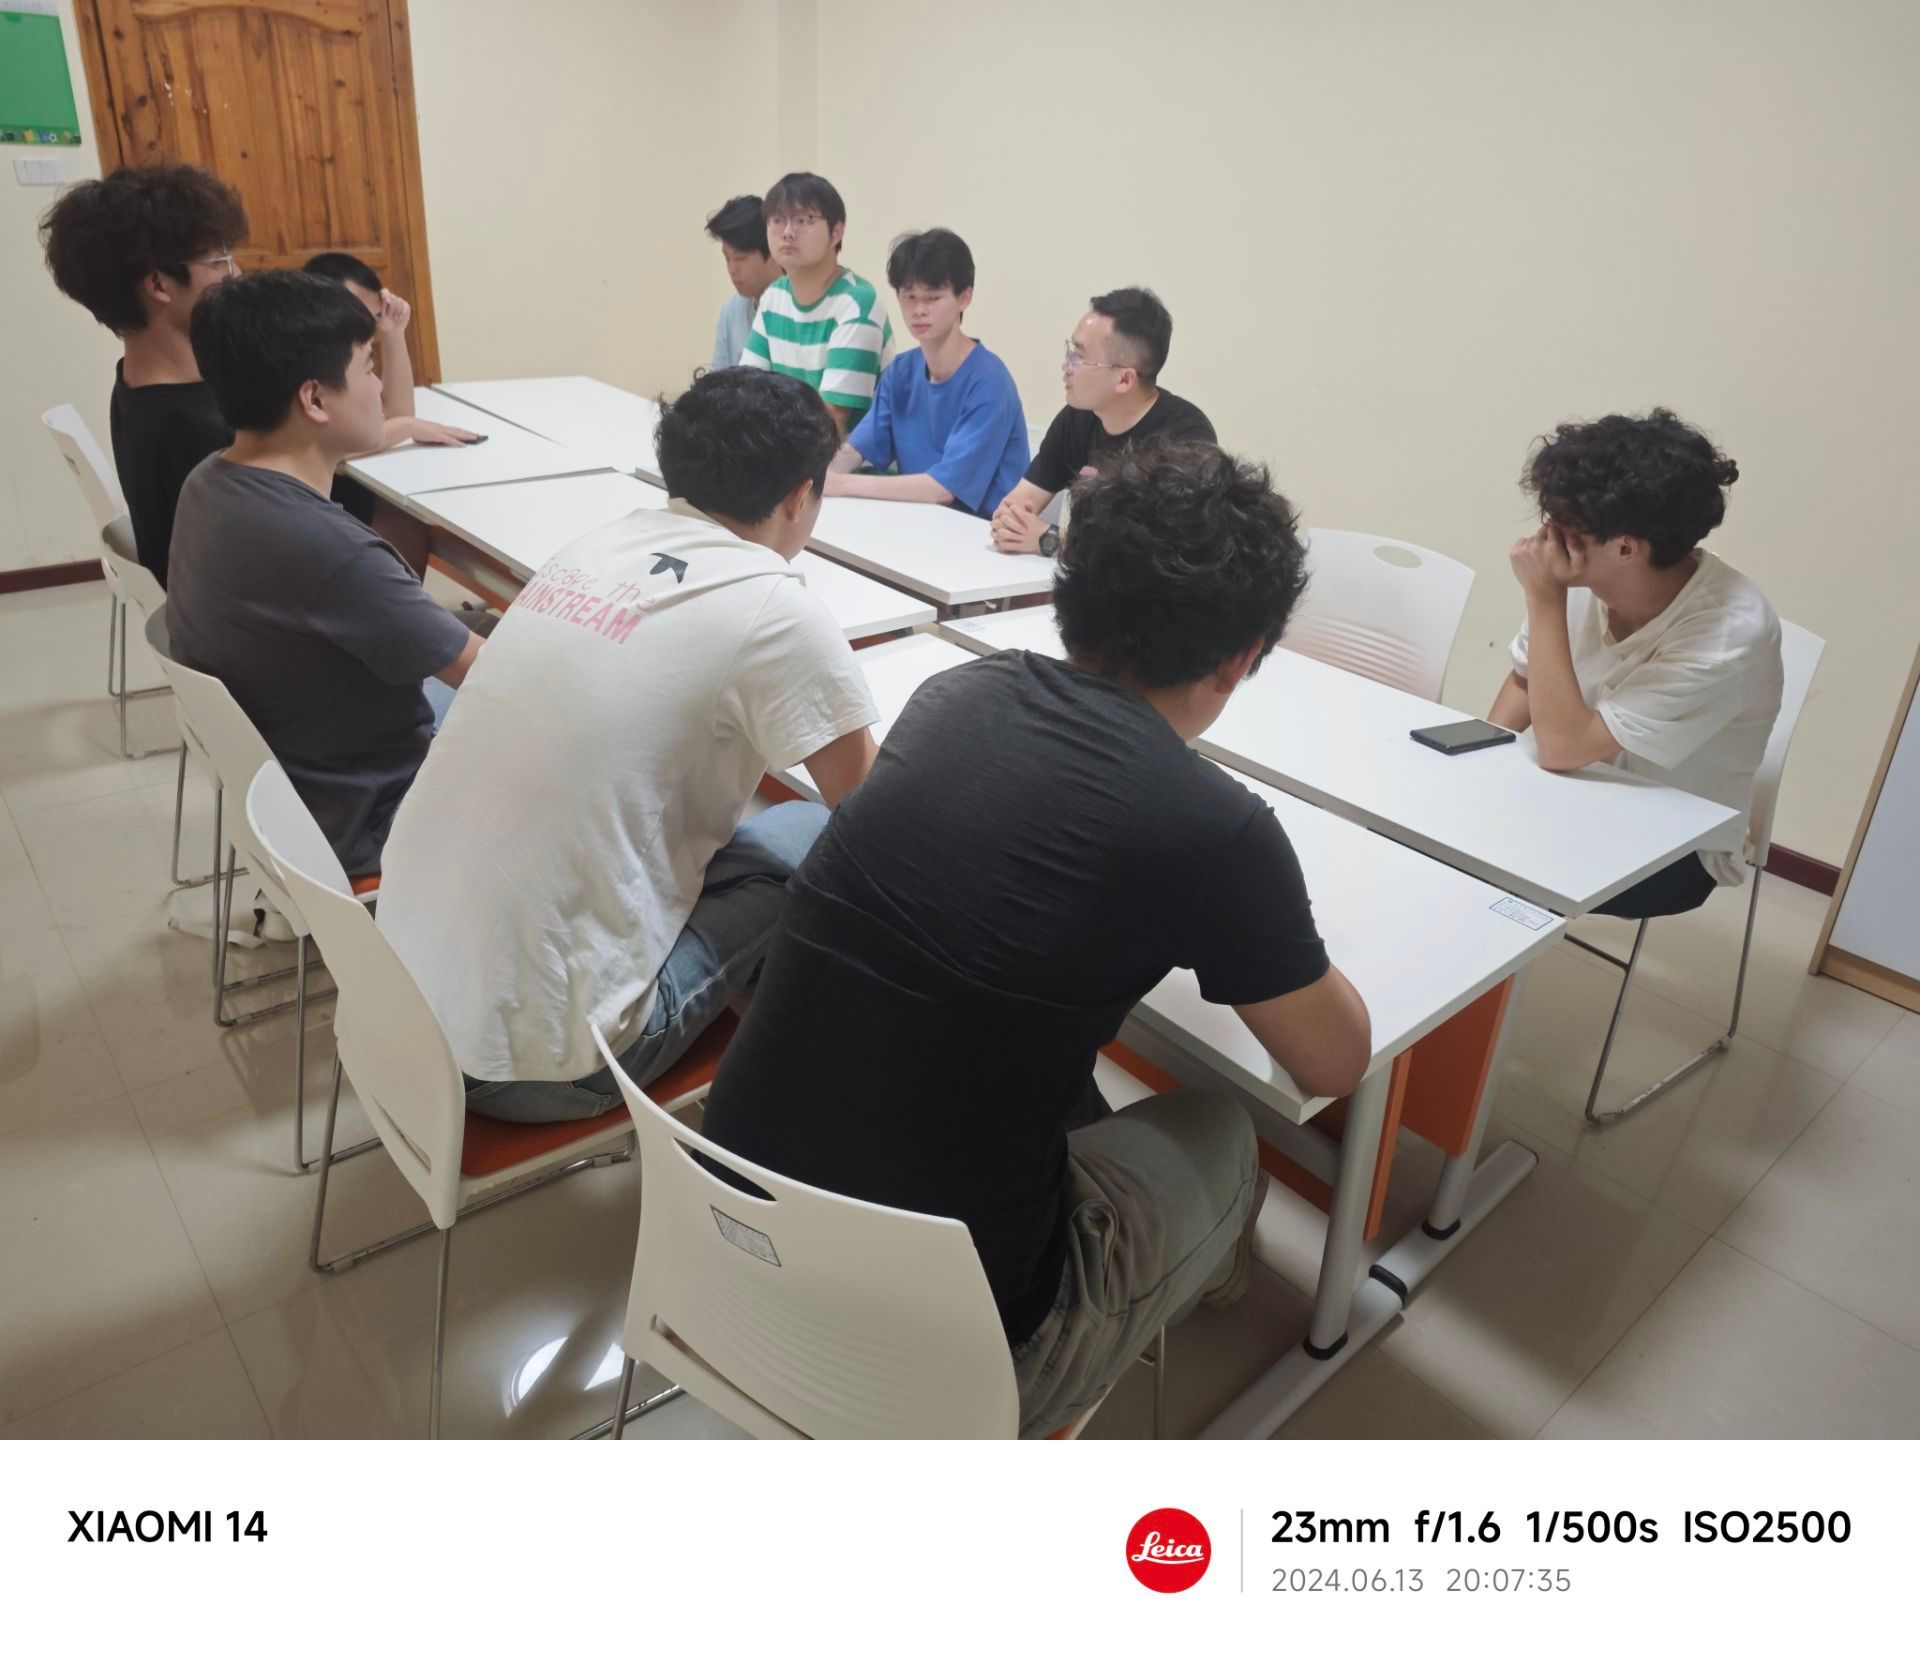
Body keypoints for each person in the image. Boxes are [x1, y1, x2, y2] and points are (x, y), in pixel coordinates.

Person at [701, 441, 1372, 1437]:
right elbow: (1335, 1061)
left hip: (723, 1247)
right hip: (949, 1357)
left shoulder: (952, 697)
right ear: (1241, 658)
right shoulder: (1214, 827)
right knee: (1225, 1129)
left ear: (1070, 595)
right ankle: (1191, 1290)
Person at [376, 369, 880, 1123]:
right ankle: (812, 1094)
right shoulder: (774, 608)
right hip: (534, 1069)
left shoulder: (593, 546)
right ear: (800, 496)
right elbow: (871, 820)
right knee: (808, 836)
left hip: (389, 1003)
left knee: (711, 829)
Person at [167, 272, 482, 878]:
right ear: (314, 400)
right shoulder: (331, 551)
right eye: (368, 367)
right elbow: (490, 676)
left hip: (293, 799)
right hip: (377, 815)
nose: (378, 387)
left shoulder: (209, 481)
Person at [1489, 408, 1783, 919]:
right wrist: (1475, 762)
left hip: (1675, 845)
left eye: (1564, 527)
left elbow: (1562, 748)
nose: (1545, 539)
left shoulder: (1729, 632)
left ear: (1625, 547)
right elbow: (1524, 682)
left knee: (1483, 866)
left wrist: (1544, 598)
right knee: (1426, 826)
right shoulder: (1587, 577)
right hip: (1570, 792)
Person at [39, 162, 247, 585]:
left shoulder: (138, 385)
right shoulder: (193, 428)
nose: (236, 273)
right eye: (219, 261)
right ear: (159, 285)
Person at [990, 287, 1215, 555]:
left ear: (1124, 379)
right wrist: (1008, 522)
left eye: (1079, 357)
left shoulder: (1185, 439)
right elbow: (1019, 502)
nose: (1066, 365)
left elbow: (1161, 554)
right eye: (1070, 350)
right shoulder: (1078, 417)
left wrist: (1050, 541)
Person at [823, 228, 1028, 517]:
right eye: (909, 296)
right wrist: (815, 477)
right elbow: (855, 451)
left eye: (932, 298)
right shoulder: (900, 372)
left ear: (964, 298)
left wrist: (842, 484)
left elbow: (943, 489)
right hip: (922, 522)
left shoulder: (989, 381)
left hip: (983, 532)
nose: (919, 310)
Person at [739, 172, 893, 434]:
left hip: (848, 456)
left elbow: (832, 421)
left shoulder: (856, 304)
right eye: (777, 220)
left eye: (804, 220)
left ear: (836, 232)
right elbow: (748, 391)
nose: (787, 232)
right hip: (790, 447)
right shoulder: (774, 297)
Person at [301, 251, 480, 453]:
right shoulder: (301, 360)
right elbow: (323, 447)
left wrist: (393, 332)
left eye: (374, 316)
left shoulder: (348, 357)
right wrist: (409, 427)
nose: (368, 328)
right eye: (358, 316)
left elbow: (394, 416)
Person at [704, 194, 781, 372]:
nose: (732, 270)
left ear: (774, 255)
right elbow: (718, 380)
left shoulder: (798, 313)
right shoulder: (731, 310)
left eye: (740, 258)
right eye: (727, 258)